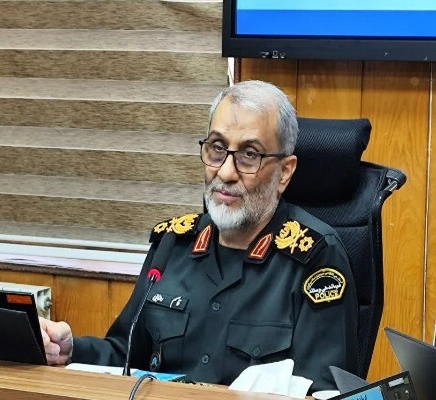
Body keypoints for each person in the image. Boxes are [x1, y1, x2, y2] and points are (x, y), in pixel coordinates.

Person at [39, 80, 359, 392]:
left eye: (249, 154)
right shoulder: (172, 244)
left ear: (284, 171)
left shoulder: (315, 257)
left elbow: (323, 391)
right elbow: (126, 357)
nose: (225, 172)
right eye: (217, 148)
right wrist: (71, 351)